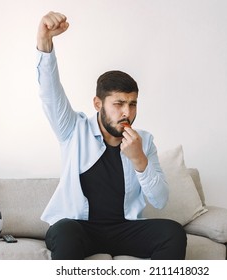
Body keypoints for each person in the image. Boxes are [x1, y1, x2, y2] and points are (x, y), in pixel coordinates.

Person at [36, 11, 187, 260]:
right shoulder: (74, 130)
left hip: (123, 229)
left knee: (172, 232)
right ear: (98, 104)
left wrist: (140, 161)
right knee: (64, 231)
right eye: (118, 104)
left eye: (133, 104)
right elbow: (50, 93)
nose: (127, 112)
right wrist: (44, 43)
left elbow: (160, 201)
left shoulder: (144, 141)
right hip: (80, 227)